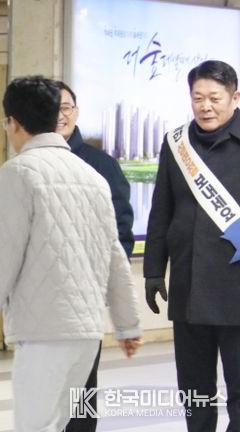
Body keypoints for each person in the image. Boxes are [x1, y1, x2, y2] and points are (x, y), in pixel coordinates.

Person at [0, 76, 141, 432]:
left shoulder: (17, 173)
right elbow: (115, 257)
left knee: (36, 426)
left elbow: (0, 259)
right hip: (87, 334)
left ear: (14, 123)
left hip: (43, 331)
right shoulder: (92, 177)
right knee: (62, 424)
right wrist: (127, 324)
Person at [144, 59, 240, 432]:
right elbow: (161, 210)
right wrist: (154, 269)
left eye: (214, 98)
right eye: (198, 98)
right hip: (189, 289)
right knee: (195, 391)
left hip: (235, 289)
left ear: (235, 97)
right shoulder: (176, 143)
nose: (205, 106)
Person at [55, 80, 135, 432]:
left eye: (65, 107)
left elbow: (121, 231)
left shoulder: (102, 165)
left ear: (76, 111)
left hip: (82, 298)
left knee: (81, 389)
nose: (59, 115)